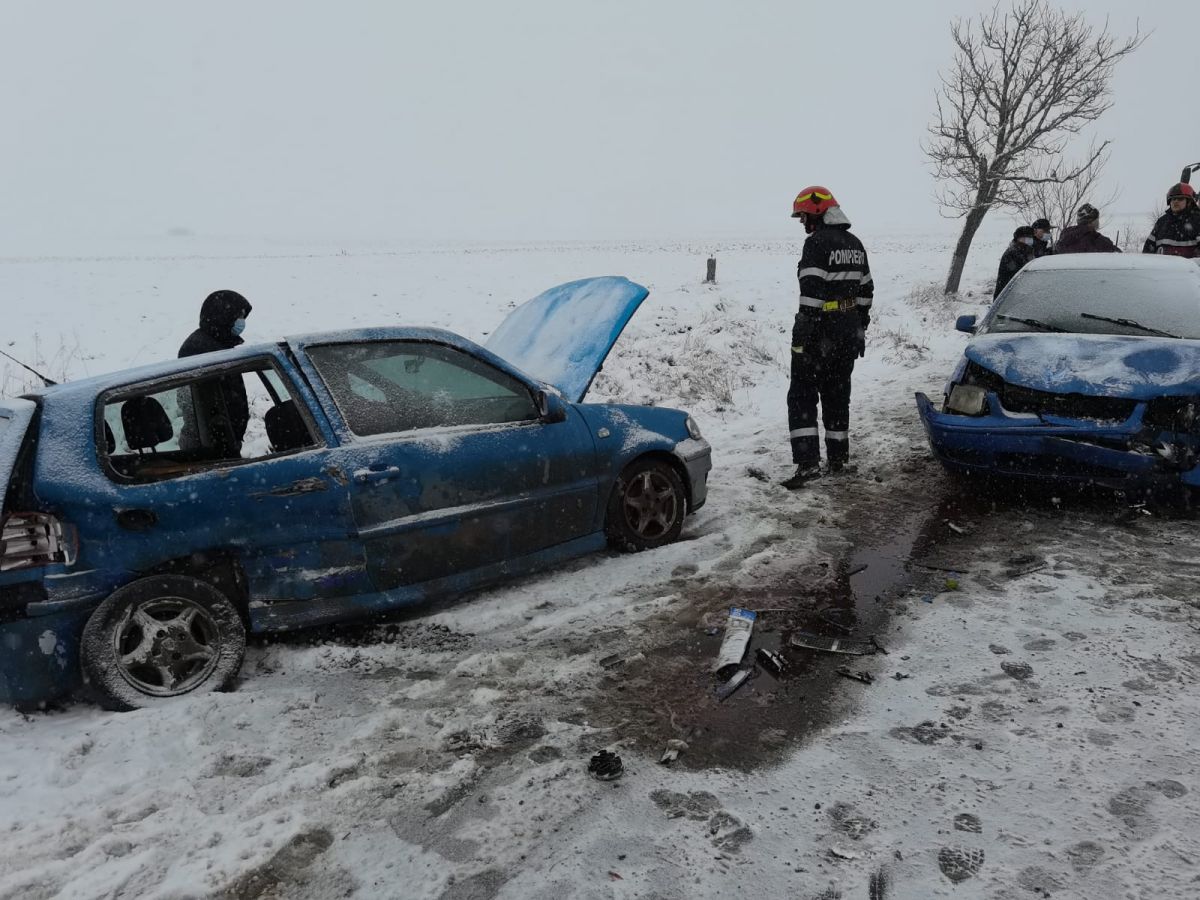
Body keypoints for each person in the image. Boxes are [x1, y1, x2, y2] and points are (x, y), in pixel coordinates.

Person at [782, 186, 873, 489]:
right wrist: (859, 325)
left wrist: (803, 333)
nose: (802, 222)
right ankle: (838, 460)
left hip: (820, 332)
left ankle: (808, 464)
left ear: (818, 212)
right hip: (847, 332)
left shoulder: (816, 243)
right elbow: (866, 290)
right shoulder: (855, 244)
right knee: (837, 395)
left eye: (804, 216)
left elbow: (811, 293)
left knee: (802, 396)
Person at [178, 290, 253, 455]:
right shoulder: (203, 350)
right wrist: (223, 439)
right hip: (212, 445)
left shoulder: (217, 344)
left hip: (220, 441)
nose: (241, 322)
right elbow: (203, 404)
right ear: (224, 316)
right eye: (239, 316)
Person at [1142, 183, 1200, 258]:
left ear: (1189, 202)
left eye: (1180, 199)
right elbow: (1147, 252)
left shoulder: (1197, 222)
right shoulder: (1162, 222)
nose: (1175, 201)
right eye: (1173, 199)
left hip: (1191, 266)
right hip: (1162, 266)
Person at [1054, 204, 1120, 253]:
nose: (1098, 221)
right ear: (1091, 221)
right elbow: (1116, 253)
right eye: (1096, 219)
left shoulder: (1066, 235)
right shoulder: (1095, 240)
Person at [994, 226, 1037, 298]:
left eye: (1031, 237)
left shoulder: (1027, 250)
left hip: (1021, 293)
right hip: (1007, 295)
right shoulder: (1012, 253)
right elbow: (1017, 273)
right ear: (1019, 238)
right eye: (1028, 237)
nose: (1030, 239)